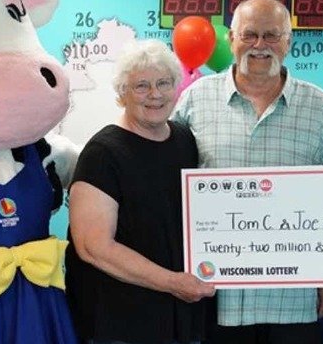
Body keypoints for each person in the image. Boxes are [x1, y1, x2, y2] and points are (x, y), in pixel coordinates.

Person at [172, 0, 323, 344]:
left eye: (271, 35)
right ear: (231, 40)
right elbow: (169, 180)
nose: (260, 45)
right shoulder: (194, 100)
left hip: (293, 297)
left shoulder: (320, 106)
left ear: (289, 42)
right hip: (216, 292)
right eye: (249, 35)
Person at [65, 39, 216, 344]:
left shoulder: (185, 140)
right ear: (122, 94)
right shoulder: (102, 153)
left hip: (175, 316)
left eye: (164, 83)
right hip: (119, 321)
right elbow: (94, 247)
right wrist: (173, 282)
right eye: (141, 86)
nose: (155, 94)